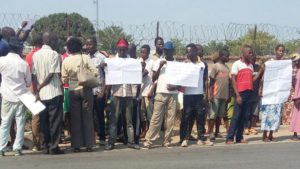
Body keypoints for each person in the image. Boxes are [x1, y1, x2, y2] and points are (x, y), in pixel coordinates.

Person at [61, 37, 98, 152]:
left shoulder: (66, 60)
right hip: (86, 89)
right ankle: (89, 145)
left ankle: (76, 145)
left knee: (75, 119)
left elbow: (64, 80)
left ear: (69, 48)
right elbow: (95, 72)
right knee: (87, 117)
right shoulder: (85, 57)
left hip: (73, 90)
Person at [104, 39, 140, 150]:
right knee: (114, 119)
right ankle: (111, 142)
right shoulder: (112, 61)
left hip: (128, 94)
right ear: (117, 49)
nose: (122, 51)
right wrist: (103, 66)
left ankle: (131, 141)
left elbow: (137, 79)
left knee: (129, 120)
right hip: (116, 93)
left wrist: (140, 66)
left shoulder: (132, 62)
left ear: (126, 49)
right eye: (120, 49)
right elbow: (108, 79)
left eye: (124, 49)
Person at [32, 32, 64, 154]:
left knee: (43, 121)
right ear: (50, 41)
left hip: (41, 94)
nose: (56, 42)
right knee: (55, 121)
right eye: (55, 40)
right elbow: (52, 74)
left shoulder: (36, 55)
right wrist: (42, 85)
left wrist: (37, 89)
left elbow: (34, 75)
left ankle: (45, 146)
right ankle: (54, 147)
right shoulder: (54, 54)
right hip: (53, 91)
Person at [0, 36, 31, 156]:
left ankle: (1, 148)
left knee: (5, 122)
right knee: (20, 122)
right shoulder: (23, 64)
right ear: (20, 49)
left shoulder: (1, 60)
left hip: (6, 95)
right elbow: (28, 82)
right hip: (20, 96)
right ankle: (17, 148)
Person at [144, 41, 178, 149]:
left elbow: (181, 79)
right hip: (161, 92)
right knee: (156, 118)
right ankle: (149, 141)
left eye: (169, 50)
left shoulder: (177, 63)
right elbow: (153, 78)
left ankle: (167, 141)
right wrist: (160, 66)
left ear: (173, 51)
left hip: (173, 94)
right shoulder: (158, 61)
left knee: (170, 119)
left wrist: (175, 87)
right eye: (166, 50)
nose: (168, 52)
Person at [226, 45, 263, 144]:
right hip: (240, 93)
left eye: (252, 53)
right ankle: (229, 138)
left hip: (249, 93)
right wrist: (237, 95)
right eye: (249, 53)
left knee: (244, 116)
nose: (251, 55)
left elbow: (252, 80)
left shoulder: (250, 65)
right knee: (236, 116)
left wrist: (260, 71)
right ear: (243, 53)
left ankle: (239, 137)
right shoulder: (237, 64)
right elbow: (233, 79)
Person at [180, 44, 213, 147]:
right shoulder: (184, 64)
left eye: (189, 51)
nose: (187, 53)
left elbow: (205, 81)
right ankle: (184, 139)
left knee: (200, 117)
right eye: (186, 52)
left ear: (195, 52)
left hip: (199, 95)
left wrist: (206, 95)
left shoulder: (203, 64)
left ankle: (201, 138)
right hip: (187, 95)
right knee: (186, 117)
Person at [259, 44, 287, 142]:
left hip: (278, 92)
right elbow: (263, 77)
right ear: (275, 51)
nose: (281, 52)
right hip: (269, 91)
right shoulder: (270, 63)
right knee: (267, 113)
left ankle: (271, 134)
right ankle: (264, 135)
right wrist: (261, 88)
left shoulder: (283, 64)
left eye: (282, 51)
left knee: (276, 114)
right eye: (279, 50)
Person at [85, 37, 107, 146]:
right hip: (88, 91)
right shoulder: (85, 58)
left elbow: (106, 76)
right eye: (87, 44)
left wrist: (103, 91)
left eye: (90, 44)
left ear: (95, 45)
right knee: (89, 116)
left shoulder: (101, 58)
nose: (88, 47)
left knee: (99, 115)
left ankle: (102, 137)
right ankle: (91, 137)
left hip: (98, 91)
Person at [25, 34, 43, 151]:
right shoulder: (42, 54)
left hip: (30, 87)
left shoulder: (28, 56)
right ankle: (43, 141)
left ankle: (36, 144)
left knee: (35, 116)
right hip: (42, 86)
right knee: (45, 116)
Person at [207, 49, 230, 141]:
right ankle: (211, 132)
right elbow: (211, 81)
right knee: (213, 115)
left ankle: (217, 132)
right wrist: (210, 94)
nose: (228, 58)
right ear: (221, 56)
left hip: (224, 96)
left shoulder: (227, 68)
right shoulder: (216, 66)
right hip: (216, 94)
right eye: (226, 56)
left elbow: (228, 83)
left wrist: (228, 95)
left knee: (219, 115)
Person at [139, 44, 155, 138]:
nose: (142, 54)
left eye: (144, 52)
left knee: (150, 114)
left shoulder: (151, 62)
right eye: (141, 52)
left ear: (148, 53)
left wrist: (142, 67)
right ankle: (143, 131)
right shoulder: (138, 61)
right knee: (142, 114)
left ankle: (151, 132)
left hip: (148, 91)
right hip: (140, 91)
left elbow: (144, 73)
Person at [244, 54, 260, 135]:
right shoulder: (246, 67)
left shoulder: (258, 67)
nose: (253, 59)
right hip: (248, 92)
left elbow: (261, 79)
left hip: (256, 92)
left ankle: (252, 127)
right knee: (247, 111)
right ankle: (246, 127)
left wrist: (260, 89)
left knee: (254, 112)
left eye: (254, 58)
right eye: (251, 58)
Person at [289, 53, 300, 141]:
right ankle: (295, 134)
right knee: (296, 116)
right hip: (297, 97)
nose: (296, 63)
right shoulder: (296, 71)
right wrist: (296, 97)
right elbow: (295, 85)